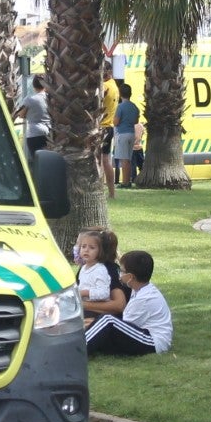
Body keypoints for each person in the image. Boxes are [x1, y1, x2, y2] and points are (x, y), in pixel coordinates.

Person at [85, 249, 172, 356]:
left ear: (130, 277)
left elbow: (124, 325)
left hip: (153, 342)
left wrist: (96, 323)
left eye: (121, 271)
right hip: (143, 335)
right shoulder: (139, 289)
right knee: (103, 329)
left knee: (108, 320)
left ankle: (78, 349)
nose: (119, 274)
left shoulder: (144, 299)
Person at [74, 228, 128, 323]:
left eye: (91, 247)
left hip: (102, 319)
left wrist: (80, 303)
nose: (77, 248)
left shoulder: (106, 269)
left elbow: (119, 305)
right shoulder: (85, 267)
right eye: (82, 246)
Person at [12, 75, 50, 159]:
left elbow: (21, 115)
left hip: (34, 133)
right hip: (50, 133)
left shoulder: (30, 100)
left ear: (34, 86)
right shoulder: (50, 98)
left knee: (38, 161)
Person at [112, 80, 139, 187]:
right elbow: (136, 121)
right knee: (128, 158)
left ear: (120, 94)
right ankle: (128, 180)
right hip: (131, 133)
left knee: (124, 160)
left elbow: (116, 122)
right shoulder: (134, 107)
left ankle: (125, 182)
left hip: (122, 134)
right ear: (130, 94)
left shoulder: (120, 107)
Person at [99, 62, 120, 199]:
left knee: (102, 161)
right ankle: (111, 192)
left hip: (103, 127)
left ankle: (103, 191)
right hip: (109, 127)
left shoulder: (105, 87)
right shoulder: (114, 85)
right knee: (105, 160)